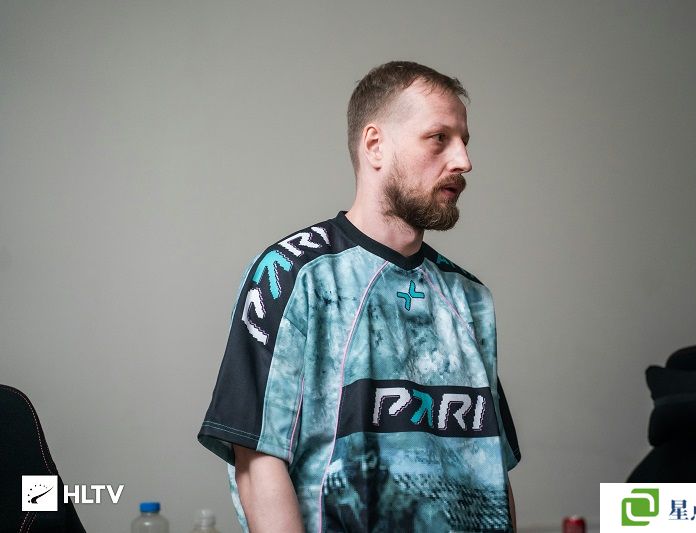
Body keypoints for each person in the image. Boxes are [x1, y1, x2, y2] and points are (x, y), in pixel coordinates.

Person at [198, 60, 521, 532]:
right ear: (375, 145)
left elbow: (491, 467)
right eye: (439, 138)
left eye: (464, 141)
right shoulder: (291, 274)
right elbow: (257, 459)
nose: (463, 161)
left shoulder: (470, 297)